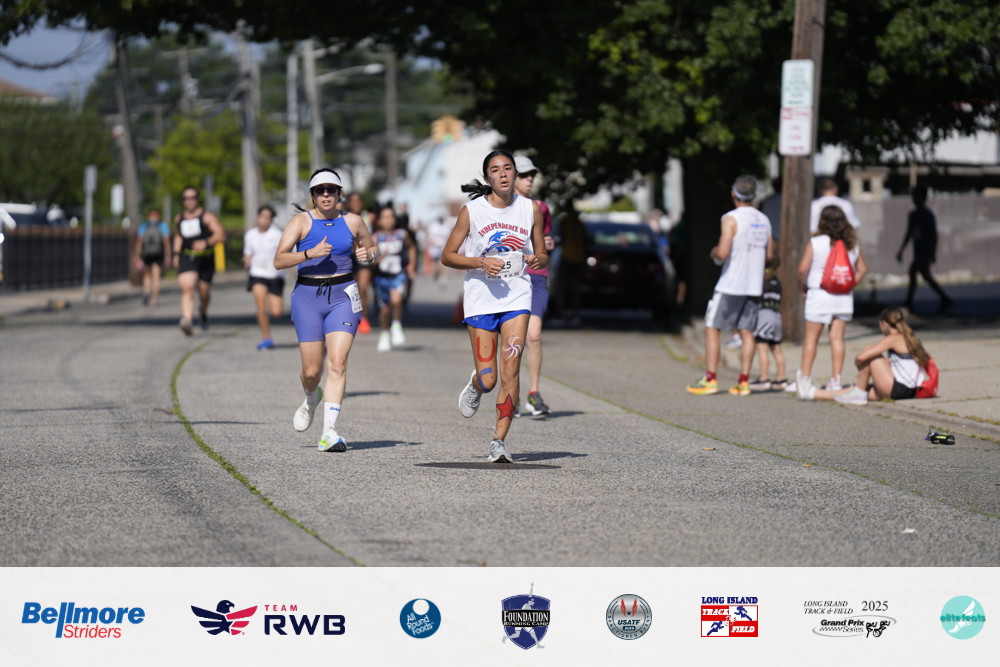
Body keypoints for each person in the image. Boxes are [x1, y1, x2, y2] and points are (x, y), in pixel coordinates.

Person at [441, 150, 548, 463]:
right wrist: (480, 262)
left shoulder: (531, 209)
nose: (503, 174)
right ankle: (476, 384)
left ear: (515, 173)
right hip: (481, 298)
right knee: (489, 379)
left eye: (508, 168)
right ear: (487, 178)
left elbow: (542, 254)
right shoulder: (472, 211)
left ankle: (498, 442)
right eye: (496, 170)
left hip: (517, 296)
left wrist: (536, 259)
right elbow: (447, 256)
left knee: (511, 371)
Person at [273, 169, 378, 452]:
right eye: (320, 190)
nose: (326, 195)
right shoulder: (300, 222)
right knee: (311, 371)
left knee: (337, 362)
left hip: (343, 296)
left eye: (332, 189)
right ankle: (311, 397)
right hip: (307, 297)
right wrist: (309, 253)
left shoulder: (353, 221)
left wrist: (368, 255)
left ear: (340, 193)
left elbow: (372, 247)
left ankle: (329, 432)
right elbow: (279, 260)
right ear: (312, 195)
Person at [687, 175, 773, 397]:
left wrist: (714, 252)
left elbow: (723, 251)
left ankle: (710, 379)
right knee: (747, 332)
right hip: (754, 284)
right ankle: (743, 382)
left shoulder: (731, 218)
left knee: (712, 327)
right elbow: (770, 255)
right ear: (754, 195)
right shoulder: (764, 220)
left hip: (731, 283)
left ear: (733, 193)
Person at [793, 205, 868, 393]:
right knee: (837, 338)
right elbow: (863, 269)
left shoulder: (816, 243)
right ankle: (836, 379)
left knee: (811, 339)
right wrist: (849, 284)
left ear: (822, 222)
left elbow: (802, 269)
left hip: (819, 295)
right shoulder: (851, 244)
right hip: (843, 298)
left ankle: (806, 379)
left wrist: (802, 285)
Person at [798, 307, 930, 405]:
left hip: (897, 389)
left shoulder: (893, 338)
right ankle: (812, 393)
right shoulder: (909, 337)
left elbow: (862, 357)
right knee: (854, 390)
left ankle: (858, 394)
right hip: (910, 391)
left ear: (884, 323)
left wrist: (859, 365)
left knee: (870, 353)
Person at [513, 155, 556, 416]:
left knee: (534, 335)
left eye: (532, 175)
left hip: (536, 276)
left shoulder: (541, 207)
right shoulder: (500, 208)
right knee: (513, 340)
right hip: (510, 278)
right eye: (524, 175)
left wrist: (549, 243)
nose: (529, 179)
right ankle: (512, 394)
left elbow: (546, 239)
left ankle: (534, 393)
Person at [172, 186, 226, 335]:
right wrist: (176, 253)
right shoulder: (179, 218)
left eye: (192, 198)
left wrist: (206, 242)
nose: (189, 201)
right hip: (187, 256)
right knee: (187, 287)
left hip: (205, 258)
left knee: (204, 292)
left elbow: (221, 235)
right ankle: (187, 320)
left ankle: (203, 312)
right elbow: (178, 236)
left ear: (197, 199)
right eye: (186, 198)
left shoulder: (207, 217)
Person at [897, 185, 952, 313]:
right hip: (918, 251)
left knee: (914, 271)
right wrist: (902, 250)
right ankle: (944, 298)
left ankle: (910, 301)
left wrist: (933, 252)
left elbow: (934, 234)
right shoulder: (913, 215)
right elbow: (909, 234)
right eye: (914, 196)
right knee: (924, 275)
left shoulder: (928, 215)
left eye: (917, 196)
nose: (915, 198)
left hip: (925, 250)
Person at [372, 205, 416, 352]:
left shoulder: (402, 234)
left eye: (390, 216)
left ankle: (396, 325)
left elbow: (412, 247)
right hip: (381, 277)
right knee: (384, 310)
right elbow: (369, 260)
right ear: (379, 221)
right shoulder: (376, 237)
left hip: (398, 274)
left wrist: (411, 265)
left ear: (395, 219)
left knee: (396, 300)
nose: (388, 220)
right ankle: (384, 333)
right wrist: (379, 258)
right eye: (384, 217)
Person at [243, 205, 285, 350]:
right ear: (258, 217)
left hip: (274, 275)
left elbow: (284, 253)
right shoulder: (250, 235)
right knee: (260, 305)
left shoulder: (277, 235)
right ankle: (267, 338)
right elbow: (248, 253)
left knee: (276, 312)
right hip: (257, 274)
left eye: (268, 218)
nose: (264, 220)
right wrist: (247, 260)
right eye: (262, 217)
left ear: (271, 220)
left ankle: (270, 299)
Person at [748, 256, 788, 391]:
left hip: (763, 315)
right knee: (776, 349)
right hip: (776, 315)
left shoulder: (760, 281)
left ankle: (764, 378)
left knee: (762, 347)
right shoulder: (777, 282)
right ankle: (781, 379)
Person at [345, 192, 375, 334]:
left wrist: (373, 252)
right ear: (348, 203)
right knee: (352, 289)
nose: (356, 203)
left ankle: (364, 318)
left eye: (359, 200)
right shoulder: (343, 217)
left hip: (363, 255)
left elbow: (376, 236)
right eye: (353, 200)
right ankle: (353, 316)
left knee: (362, 287)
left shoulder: (369, 217)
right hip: (348, 256)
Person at [554, 209, 585, 327]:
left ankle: (560, 314)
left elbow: (561, 237)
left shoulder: (565, 221)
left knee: (561, 286)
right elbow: (585, 239)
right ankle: (575, 314)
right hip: (578, 257)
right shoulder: (579, 223)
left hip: (567, 256)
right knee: (575, 287)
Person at [135, 209, 170, 307]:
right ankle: (155, 299)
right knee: (156, 276)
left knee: (147, 275)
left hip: (146, 254)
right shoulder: (162, 226)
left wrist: (138, 255)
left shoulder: (144, 226)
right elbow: (166, 242)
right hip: (158, 254)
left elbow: (139, 242)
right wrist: (168, 255)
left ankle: (146, 292)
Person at [425, 217, 452, 284]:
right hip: (435, 247)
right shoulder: (433, 226)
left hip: (443, 247)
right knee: (436, 263)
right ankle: (437, 273)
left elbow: (448, 236)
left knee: (443, 262)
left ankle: (444, 277)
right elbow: (429, 237)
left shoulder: (446, 226)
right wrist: (434, 243)